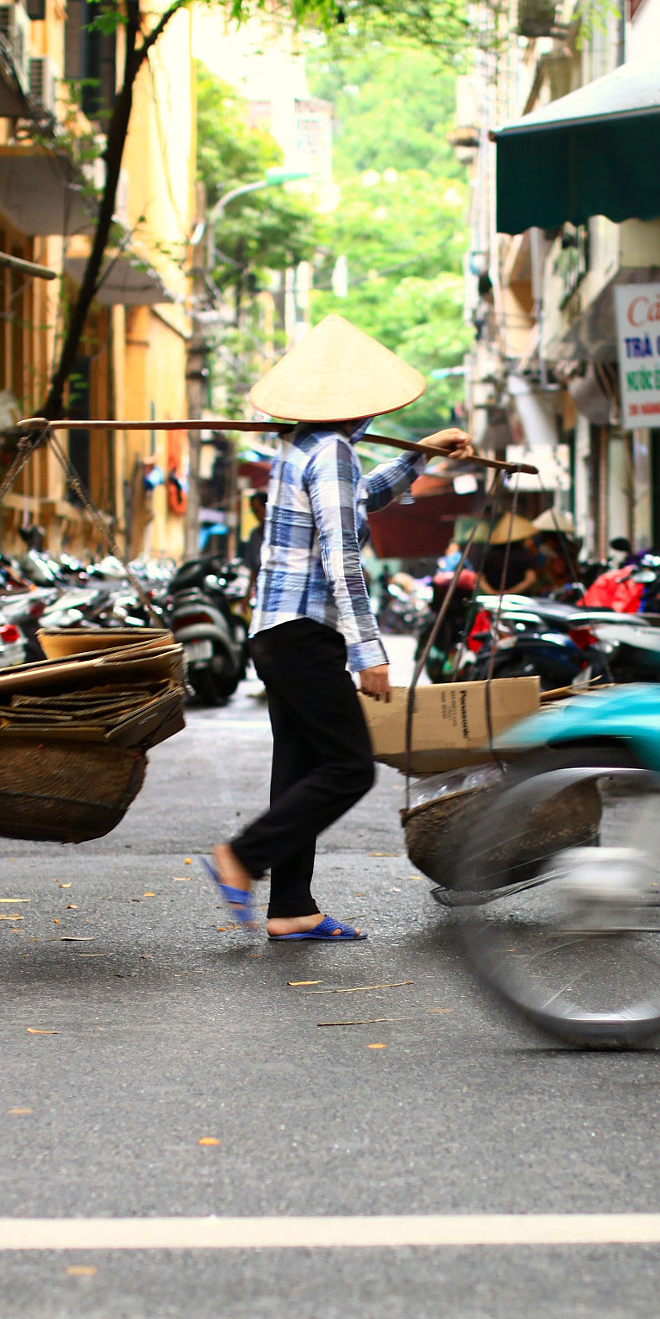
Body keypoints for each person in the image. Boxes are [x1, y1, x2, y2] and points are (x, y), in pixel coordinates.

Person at [201, 314, 472, 941]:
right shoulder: (335, 451)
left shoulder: (304, 448)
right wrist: (368, 650)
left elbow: (359, 499)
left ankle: (291, 907)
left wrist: (420, 455)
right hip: (303, 631)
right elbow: (341, 556)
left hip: (275, 632)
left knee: (298, 770)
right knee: (350, 767)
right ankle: (242, 857)